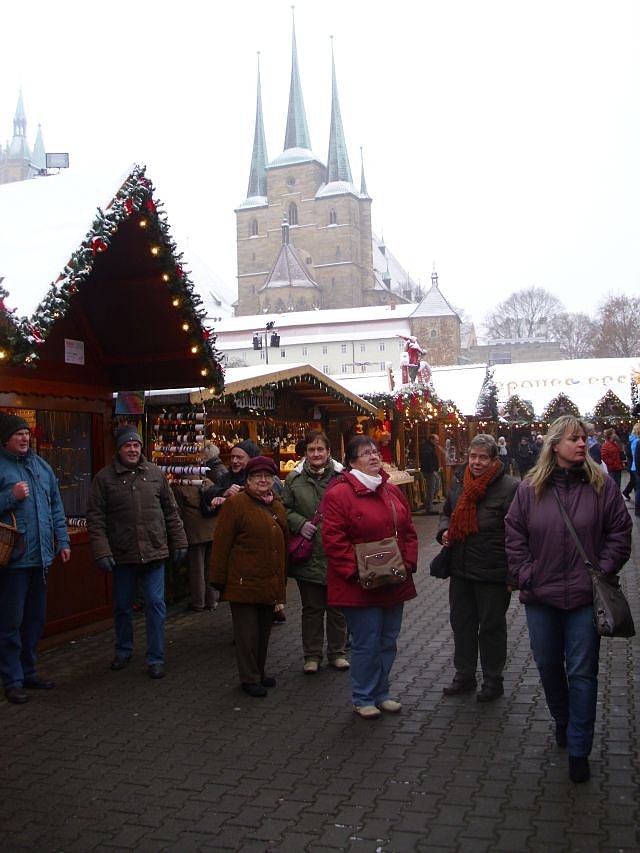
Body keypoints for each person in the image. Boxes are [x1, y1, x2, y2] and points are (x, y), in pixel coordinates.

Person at [505, 415, 632, 784]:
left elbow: (620, 532)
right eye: (573, 439)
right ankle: (562, 718)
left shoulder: (601, 486)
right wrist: (526, 573)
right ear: (554, 444)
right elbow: (514, 534)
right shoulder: (530, 489)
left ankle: (579, 747)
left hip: (583, 597)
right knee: (547, 665)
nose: (581, 444)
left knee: (582, 672)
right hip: (541, 595)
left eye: (583, 438)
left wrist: (602, 570)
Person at [322, 435, 418, 719]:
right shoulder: (338, 494)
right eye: (365, 453)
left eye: (375, 452)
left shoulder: (391, 491)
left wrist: (408, 562)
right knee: (367, 642)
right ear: (352, 462)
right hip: (360, 585)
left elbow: (409, 530)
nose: (374, 456)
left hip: (393, 579)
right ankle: (363, 696)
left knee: (388, 640)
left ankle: (381, 693)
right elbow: (333, 540)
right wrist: (356, 572)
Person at [87, 425, 188, 679]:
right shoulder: (104, 479)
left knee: (155, 604)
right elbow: (96, 519)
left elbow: (171, 511)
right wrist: (102, 551)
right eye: (127, 445)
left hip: (154, 550)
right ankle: (123, 650)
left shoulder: (155, 474)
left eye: (136, 445)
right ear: (119, 449)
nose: (132, 450)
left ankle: (156, 657)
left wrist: (180, 541)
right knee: (122, 606)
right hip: (123, 554)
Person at [437, 434, 519, 702]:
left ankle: (493, 679)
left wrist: (513, 574)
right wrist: (443, 531)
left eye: (483, 457)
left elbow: (517, 532)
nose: (477, 462)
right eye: (473, 456)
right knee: (462, 624)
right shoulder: (460, 482)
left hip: (492, 571)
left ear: (494, 460)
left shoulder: (509, 488)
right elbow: (446, 512)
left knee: (491, 628)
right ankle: (465, 675)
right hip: (460, 568)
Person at [0, 413, 71, 704]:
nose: (24, 438)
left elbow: (56, 507)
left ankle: (29, 671)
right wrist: (10, 496)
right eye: (18, 434)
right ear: (5, 439)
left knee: (34, 620)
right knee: (11, 623)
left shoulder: (42, 467)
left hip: (41, 559)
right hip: (13, 561)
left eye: (26, 434)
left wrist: (63, 540)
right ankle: (12, 679)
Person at [211, 455, 288, 697]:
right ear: (248, 480)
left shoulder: (276, 505)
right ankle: (249, 678)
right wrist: (218, 578)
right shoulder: (236, 505)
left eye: (267, 476)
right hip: (242, 581)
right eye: (257, 476)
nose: (263, 480)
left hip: (268, 580)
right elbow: (221, 543)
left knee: (264, 631)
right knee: (247, 634)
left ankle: (259, 672)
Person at [282, 430, 349, 674]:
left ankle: (337, 652)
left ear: (329, 452)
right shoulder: (294, 479)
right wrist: (300, 523)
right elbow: (284, 508)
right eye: (311, 449)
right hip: (309, 555)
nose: (316, 454)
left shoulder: (343, 477)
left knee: (337, 608)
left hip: (336, 552)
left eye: (320, 449)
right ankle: (312, 655)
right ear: (306, 453)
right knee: (312, 609)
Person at [172, 474, 219, 612]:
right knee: (210, 567)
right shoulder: (207, 480)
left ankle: (198, 602)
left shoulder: (179, 485)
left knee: (197, 569)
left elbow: (177, 511)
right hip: (212, 529)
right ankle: (212, 600)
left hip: (194, 531)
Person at [419, 433, 441, 515]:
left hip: (432, 470)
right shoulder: (427, 447)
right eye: (436, 440)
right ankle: (429, 507)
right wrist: (432, 469)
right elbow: (427, 460)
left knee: (436, 486)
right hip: (429, 471)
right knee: (431, 488)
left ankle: (427, 503)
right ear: (431, 440)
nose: (437, 442)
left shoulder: (430, 447)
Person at [621, 422, 640, 502]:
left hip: (633, 465)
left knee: (635, 484)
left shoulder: (633, 440)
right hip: (636, 465)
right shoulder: (637, 441)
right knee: (637, 487)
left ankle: (626, 493)